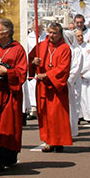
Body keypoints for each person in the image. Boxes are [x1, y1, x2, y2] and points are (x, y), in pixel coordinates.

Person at [0, 18, 27, 170]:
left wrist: (7, 72)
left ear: (7, 32)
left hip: (11, 93)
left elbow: (22, 72)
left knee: (8, 126)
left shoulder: (18, 49)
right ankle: (8, 156)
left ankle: (4, 157)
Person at [29, 22, 73, 152]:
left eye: (55, 33)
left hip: (56, 87)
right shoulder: (41, 46)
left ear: (60, 34)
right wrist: (33, 63)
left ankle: (58, 141)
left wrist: (47, 75)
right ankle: (48, 141)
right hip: (43, 87)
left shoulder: (64, 48)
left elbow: (63, 68)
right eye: (50, 32)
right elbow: (31, 59)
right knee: (45, 115)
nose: (51, 35)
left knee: (57, 116)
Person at [76, 30, 90, 123]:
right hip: (76, 76)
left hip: (84, 75)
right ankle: (79, 115)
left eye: (81, 35)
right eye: (78, 36)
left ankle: (89, 116)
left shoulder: (88, 47)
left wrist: (82, 71)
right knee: (78, 98)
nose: (80, 37)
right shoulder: (73, 47)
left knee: (87, 96)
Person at [68, 32, 84, 136]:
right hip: (61, 81)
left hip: (71, 81)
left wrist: (69, 79)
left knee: (72, 105)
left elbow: (77, 66)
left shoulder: (77, 50)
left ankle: (72, 129)